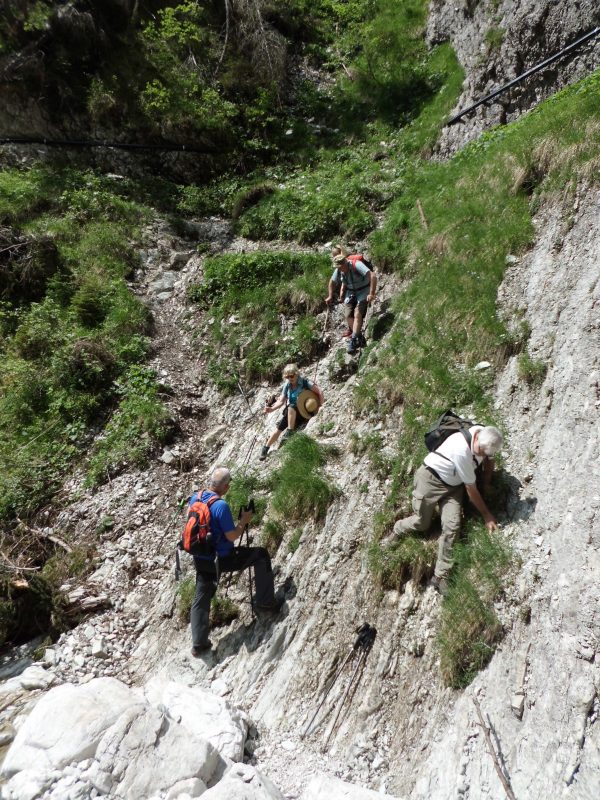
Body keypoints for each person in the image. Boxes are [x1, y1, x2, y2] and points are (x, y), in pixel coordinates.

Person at [385, 425, 503, 595]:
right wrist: (487, 515)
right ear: (476, 438)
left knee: (452, 525)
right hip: (430, 480)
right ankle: (398, 529)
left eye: (485, 453)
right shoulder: (462, 450)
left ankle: (440, 576)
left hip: (453, 487)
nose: (482, 455)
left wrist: (486, 481)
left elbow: (490, 459)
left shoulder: (486, 436)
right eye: (480, 451)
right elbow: (471, 491)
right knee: (422, 523)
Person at [189, 466, 280, 656]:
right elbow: (232, 536)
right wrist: (244, 521)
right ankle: (265, 603)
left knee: (201, 598)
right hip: (222, 559)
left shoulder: (196, 497)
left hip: (201, 557)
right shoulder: (220, 506)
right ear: (226, 487)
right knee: (261, 555)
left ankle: (198, 644)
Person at [259, 363, 324, 460]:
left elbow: (319, 391)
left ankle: (290, 431)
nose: (290, 378)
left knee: (291, 407)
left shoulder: (305, 382)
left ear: (296, 374)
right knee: (279, 428)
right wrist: (271, 409)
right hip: (291, 413)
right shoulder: (287, 385)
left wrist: (321, 405)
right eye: (287, 377)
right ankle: (265, 449)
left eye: (291, 376)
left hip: (303, 411)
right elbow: (281, 401)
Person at [325, 246, 377, 354]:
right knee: (348, 315)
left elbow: (372, 276)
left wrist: (371, 293)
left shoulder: (356, 265)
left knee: (358, 313)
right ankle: (358, 335)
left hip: (363, 290)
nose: (339, 269)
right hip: (351, 292)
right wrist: (330, 295)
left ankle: (353, 340)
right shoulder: (339, 270)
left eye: (340, 267)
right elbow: (332, 282)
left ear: (344, 263)